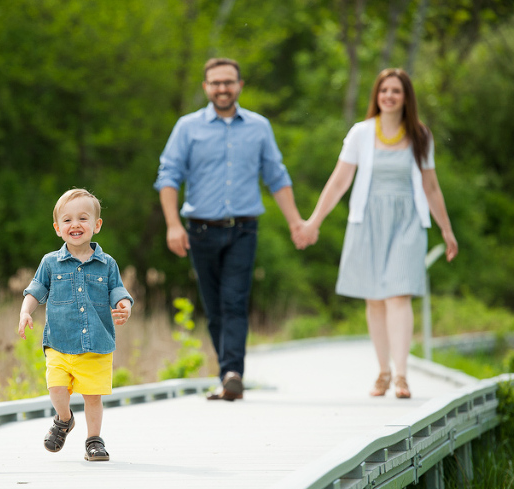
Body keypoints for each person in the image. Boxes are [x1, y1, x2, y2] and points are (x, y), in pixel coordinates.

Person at [294, 68, 458, 399]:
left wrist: (446, 229)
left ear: (406, 97)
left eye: (396, 91)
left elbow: (431, 186)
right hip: (367, 219)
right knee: (374, 297)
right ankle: (383, 371)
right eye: (384, 90)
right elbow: (339, 181)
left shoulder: (421, 136)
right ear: (377, 95)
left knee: (399, 294)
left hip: (408, 221)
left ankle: (401, 376)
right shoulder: (361, 133)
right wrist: (313, 221)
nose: (389, 96)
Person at [154, 57, 304, 401]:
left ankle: (233, 372)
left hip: (243, 230)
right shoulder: (187, 128)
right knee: (214, 305)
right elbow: (168, 176)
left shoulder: (259, 127)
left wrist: (296, 221)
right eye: (215, 82)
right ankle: (227, 373)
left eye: (229, 82)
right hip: (200, 231)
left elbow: (277, 176)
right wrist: (173, 225)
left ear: (240, 86)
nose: (222, 88)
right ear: (206, 87)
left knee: (235, 300)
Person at [18, 188, 133, 461]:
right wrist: (25, 312)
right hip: (59, 342)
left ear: (97, 225)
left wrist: (124, 306)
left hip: (96, 345)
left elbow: (118, 291)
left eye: (83, 218)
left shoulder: (107, 264)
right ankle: (64, 418)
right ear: (58, 228)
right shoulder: (50, 263)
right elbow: (35, 290)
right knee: (56, 388)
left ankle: (94, 440)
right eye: (67, 220)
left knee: (93, 397)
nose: (75, 225)